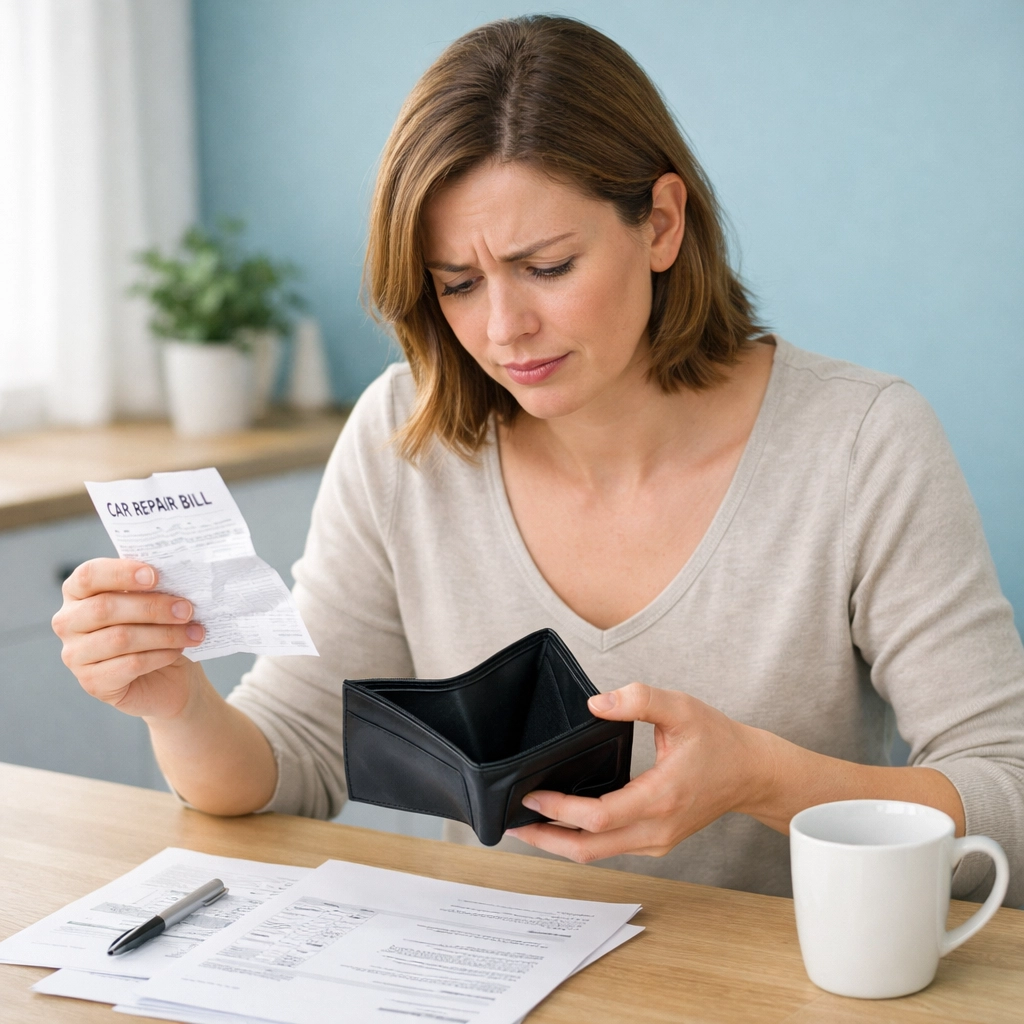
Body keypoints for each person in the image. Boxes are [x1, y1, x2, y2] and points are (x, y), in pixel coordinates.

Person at [53, 15, 1024, 903]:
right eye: (458, 283)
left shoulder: (861, 444)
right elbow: (290, 760)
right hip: (499, 985)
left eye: (547, 267)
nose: (504, 328)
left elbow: (1007, 799)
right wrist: (176, 705)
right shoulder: (408, 438)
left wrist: (764, 778)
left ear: (660, 223)